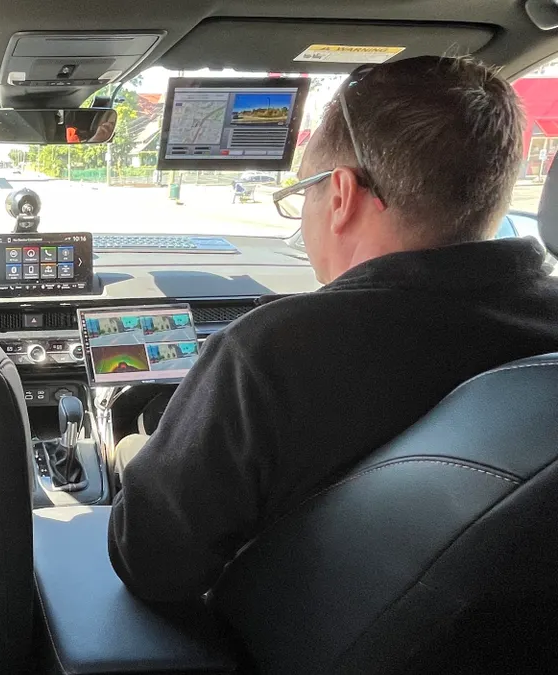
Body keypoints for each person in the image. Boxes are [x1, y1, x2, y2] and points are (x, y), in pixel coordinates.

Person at [108, 55, 558, 603]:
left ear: (341, 194)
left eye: (304, 193)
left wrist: (134, 451)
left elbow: (151, 563)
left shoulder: (272, 351)